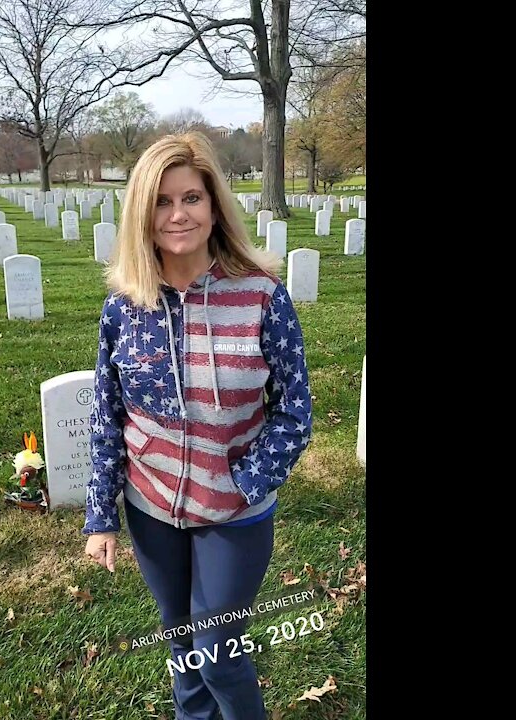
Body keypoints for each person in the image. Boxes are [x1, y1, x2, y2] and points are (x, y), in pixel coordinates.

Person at [82, 132, 313, 720]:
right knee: (180, 643)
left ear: (214, 207)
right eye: (161, 201)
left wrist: (243, 483)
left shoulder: (262, 297)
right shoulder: (123, 306)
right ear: (142, 211)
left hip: (234, 513)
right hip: (152, 508)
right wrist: (101, 515)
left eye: (191, 198)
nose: (177, 214)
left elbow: (294, 413)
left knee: (217, 651)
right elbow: (108, 414)